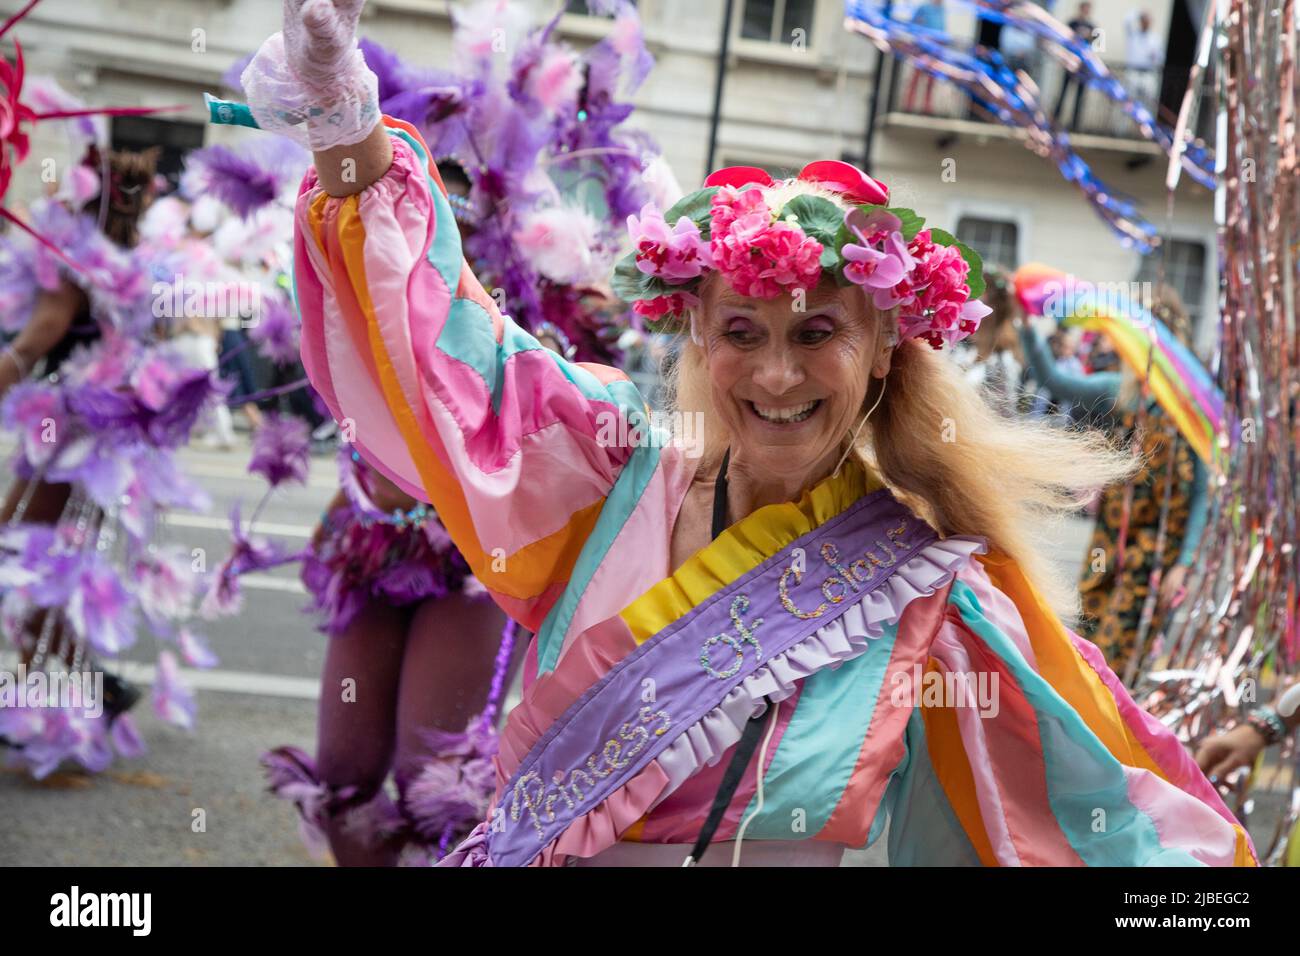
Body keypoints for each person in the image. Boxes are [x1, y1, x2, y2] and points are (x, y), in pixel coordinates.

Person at [249, 0, 1254, 867]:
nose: (776, 373)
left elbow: (1084, 829)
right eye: (742, 332)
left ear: (881, 351)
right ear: (695, 329)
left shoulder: (934, 607)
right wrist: (345, 120)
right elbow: (449, 349)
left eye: (817, 333)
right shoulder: (608, 473)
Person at [1015, 287, 1209, 679]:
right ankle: (1085, 722)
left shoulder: (1191, 407)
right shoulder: (1121, 390)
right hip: (1108, 542)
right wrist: (1027, 325)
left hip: (1154, 552)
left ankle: (1116, 727)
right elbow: (1055, 380)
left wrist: (1184, 564)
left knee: (1122, 650)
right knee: (1085, 638)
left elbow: (1204, 492)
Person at [1052, 2, 1098, 131]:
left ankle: (1075, 125)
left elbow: (1097, 47)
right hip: (1070, 63)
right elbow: (1063, 40)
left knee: (1080, 96)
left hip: (1083, 66)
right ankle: (1055, 121)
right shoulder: (1072, 23)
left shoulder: (1093, 27)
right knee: (1063, 92)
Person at [902, 0, 946, 115]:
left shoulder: (942, 10)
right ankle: (909, 105)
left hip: (935, 50)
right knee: (916, 77)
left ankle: (927, 107)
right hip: (922, 48)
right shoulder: (924, 8)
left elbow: (942, 30)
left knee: (931, 80)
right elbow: (913, 25)